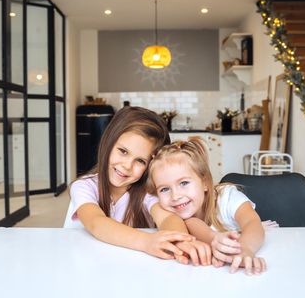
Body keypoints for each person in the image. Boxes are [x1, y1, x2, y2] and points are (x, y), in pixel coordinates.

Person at [64, 106, 211, 265]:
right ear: (108, 142)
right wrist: (147, 242)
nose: (127, 165)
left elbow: (169, 219)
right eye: (123, 151)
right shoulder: (84, 186)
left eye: (140, 161)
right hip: (85, 264)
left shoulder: (147, 193)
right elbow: (96, 222)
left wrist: (180, 241)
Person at [147, 138, 266, 275]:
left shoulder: (226, 198)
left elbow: (252, 222)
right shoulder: (171, 212)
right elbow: (194, 224)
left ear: (204, 182)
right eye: (164, 189)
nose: (175, 196)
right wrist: (214, 240)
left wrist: (245, 249)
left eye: (184, 183)